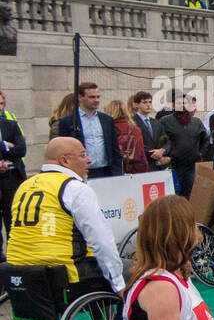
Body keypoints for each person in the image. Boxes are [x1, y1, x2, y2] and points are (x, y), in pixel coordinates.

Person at [5, 137, 125, 297]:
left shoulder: (24, 186)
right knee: (137, 272)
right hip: (62, 278)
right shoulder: (75, 188)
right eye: (83, 155)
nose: (89, 160)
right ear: (65, 160)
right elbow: (102, 241)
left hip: (20, 276)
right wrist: (118, 283)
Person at [57, 82, 121, 178]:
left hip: (106, 171)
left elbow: (114, 148)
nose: (96, 100)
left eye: (98, 97)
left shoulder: (107, 120)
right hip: (81, 172)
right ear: (80, 97)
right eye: (92, 97)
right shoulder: (68, 121)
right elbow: (63, 150)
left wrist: (117, 172)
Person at [158, 92, 210, 198]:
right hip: (174, 165)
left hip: (192, 165)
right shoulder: (165, 121)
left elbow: (205, 139)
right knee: (175, 195)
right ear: (173, 105)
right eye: (179, 103)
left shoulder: (196, 122)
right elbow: (161, 140)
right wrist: (164, 155)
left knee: (192, 194)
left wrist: (200, 153)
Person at [0, 88, 28, 240]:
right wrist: (7, 146)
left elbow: (21, 150)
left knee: (12, 217)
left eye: (2, 104)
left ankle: (14, 254)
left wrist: (3, 144)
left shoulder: (10, 124)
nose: (1, 108)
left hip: (12, 177)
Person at [131, 90, 170, 173]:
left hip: (158, 166)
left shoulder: (156, 122)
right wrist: (154, 154)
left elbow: (166, 140)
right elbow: (135, 143)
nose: (148, 105)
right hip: (142, 165)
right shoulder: (132, 122)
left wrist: (163, 150)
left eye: (150, 102)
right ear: (136, 105)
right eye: (144, 102)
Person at [106, 99, 147, 175]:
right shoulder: (135, 130)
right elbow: (141, 153)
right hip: (134, 170)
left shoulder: (107, 129)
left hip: (114, 171)